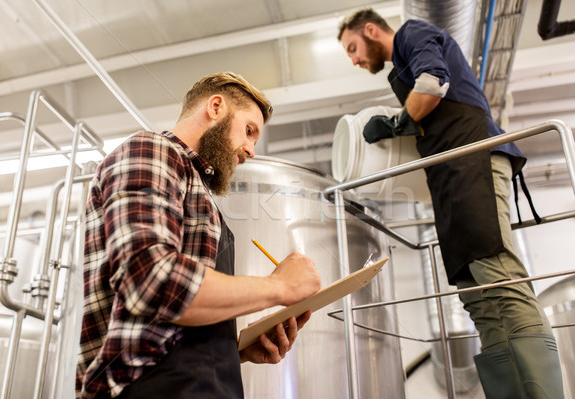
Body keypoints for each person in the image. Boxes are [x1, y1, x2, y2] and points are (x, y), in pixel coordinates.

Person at [338, 9, 564, 399]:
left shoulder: (412, 33)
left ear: (372, 30)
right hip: (448, 176)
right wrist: (403, 122)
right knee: (475, 295)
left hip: (474, 158)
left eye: (353, 48)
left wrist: (397, 123)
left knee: (500, 277)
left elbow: (434, 80)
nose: (354, 60)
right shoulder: (400, 67)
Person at [76, 72, 321, 399]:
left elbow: (166, 327)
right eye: (249, 131)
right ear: (216, 107)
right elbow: (150, 282)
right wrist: (280, 286)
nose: (249, 150)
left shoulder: (200, 196)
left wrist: (235, 352)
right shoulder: (152, 150)